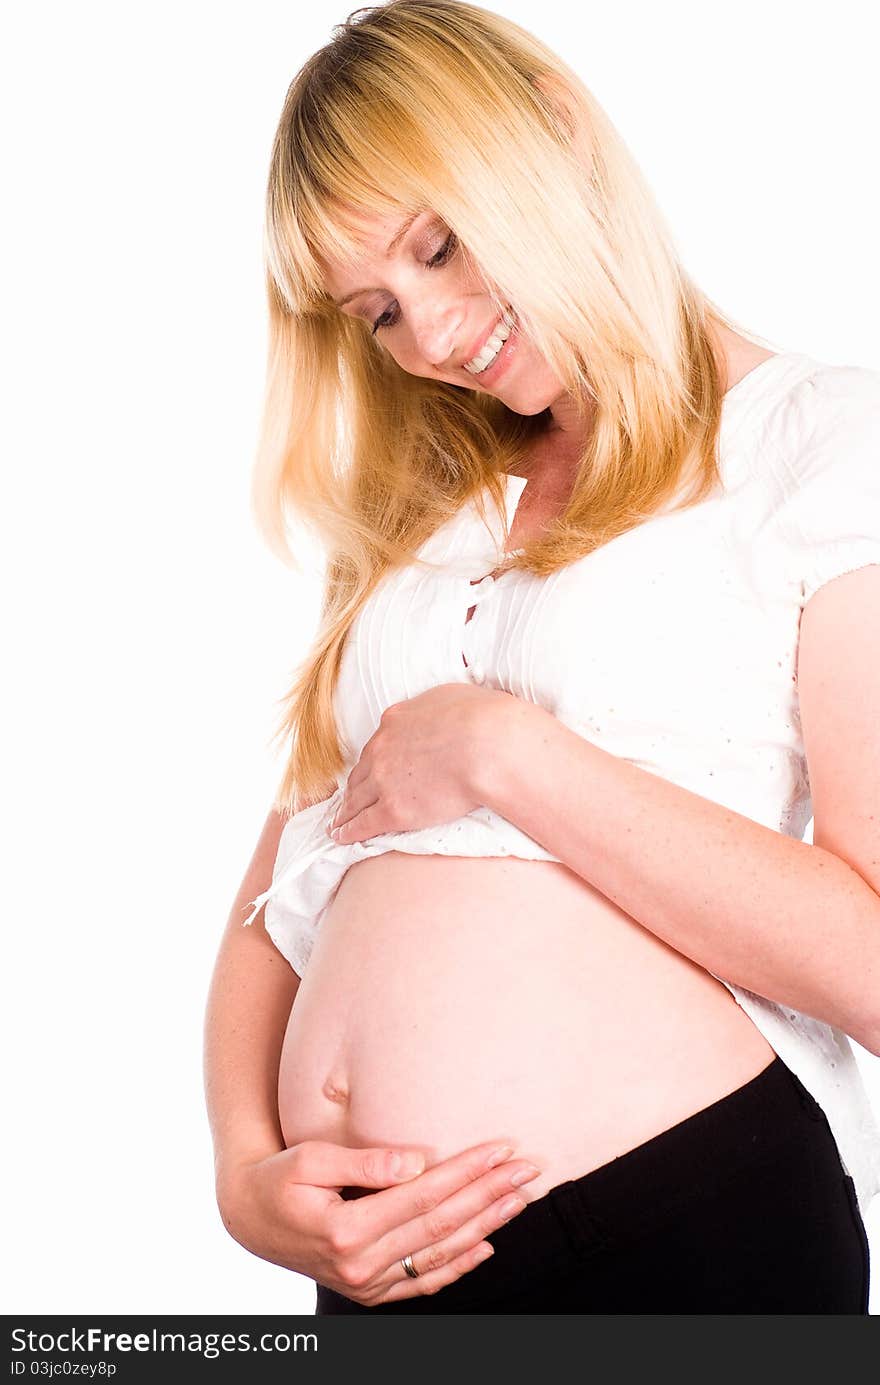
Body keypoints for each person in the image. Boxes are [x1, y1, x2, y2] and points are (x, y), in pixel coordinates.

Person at [203, 0, 880, 1313]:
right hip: (384, 1275)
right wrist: (244, 1175)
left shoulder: (823, 446)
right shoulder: (419, 518)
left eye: (441, 247)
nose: (435, 337)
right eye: (380, 310)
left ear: (556, 131)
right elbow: (276, 889)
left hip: (686, 1224)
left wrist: (514, 757)